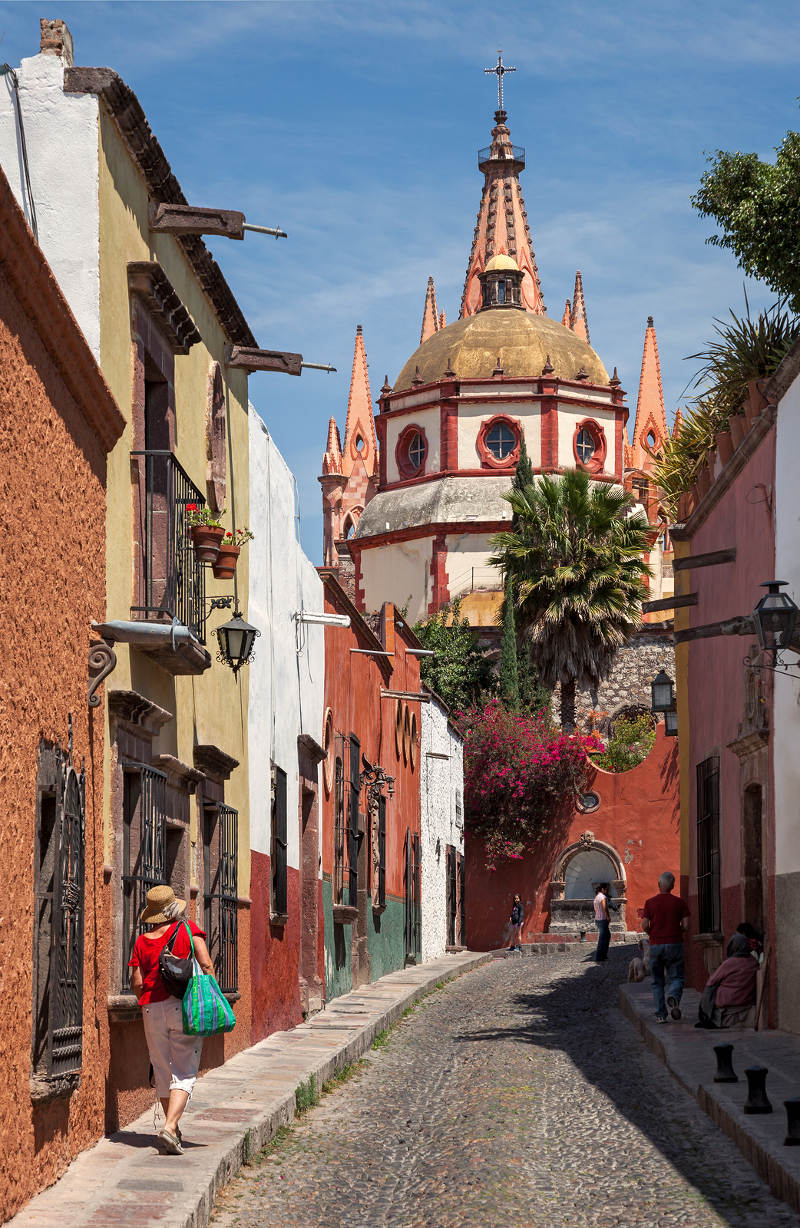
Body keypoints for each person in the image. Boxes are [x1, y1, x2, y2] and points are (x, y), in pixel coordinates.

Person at [128, 883, 215, 1154]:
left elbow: (137, 983)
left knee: (163, 1069)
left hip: (151, 1010)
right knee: (186, 1069)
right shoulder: (188, 930)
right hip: (182, 1006)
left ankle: (172, 1129)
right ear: (172, 909)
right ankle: (169, 1127)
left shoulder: (142, 941)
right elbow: (206, 965)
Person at [641, 871, 690, 1023]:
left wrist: (652, 933)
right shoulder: (680, 903)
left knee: (657, 981)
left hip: (656, 945)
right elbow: (687, 925)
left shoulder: (650, 903)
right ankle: (674, 996)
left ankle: (661, 1015)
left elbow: (644, 925)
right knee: (677, 977)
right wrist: (677, 931)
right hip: (675, 943)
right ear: (673, 886)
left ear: (659, 884)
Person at [697, 933, 758, 1029]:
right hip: (745, 1001)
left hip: (728, 1003)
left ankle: (706, 1016)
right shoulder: (754, 962)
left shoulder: (730, 963)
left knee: (710, 988)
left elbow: (711, 982)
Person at [593, 882, 611, 963]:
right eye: (606, 889)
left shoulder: (596, 897)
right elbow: (605, 907)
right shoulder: (602, 897)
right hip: (603, 919)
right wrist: (608, 916)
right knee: (602, 938)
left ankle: (603, 955)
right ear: (603, 889)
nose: (607, 891)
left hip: (597, 919)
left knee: (607, 936)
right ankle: (599, 956)